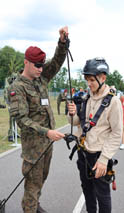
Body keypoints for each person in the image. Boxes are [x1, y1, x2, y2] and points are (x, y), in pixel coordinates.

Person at [9, 26, 68, 213]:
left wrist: (62, 42)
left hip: (47, 143)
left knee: (41, 179)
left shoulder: (41, 78)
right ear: (26, 63)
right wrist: (47, 131)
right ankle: (30, 208)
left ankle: (34, 206)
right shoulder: (18, 87)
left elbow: (57, 62)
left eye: (42, 65)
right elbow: (22, 119)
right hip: (33, 147)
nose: (41, 69)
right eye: (37, 65)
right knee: (32, 185)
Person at [67, 58, 123, 213]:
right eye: (87, 80)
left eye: (92, 80)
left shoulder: (114, 102)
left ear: (103, 78)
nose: (88, 83)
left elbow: (117, 133)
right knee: (87, 192)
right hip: (83, 153)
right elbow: (78, 122)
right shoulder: (87, 97)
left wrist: (104, 160)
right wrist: (71, 113)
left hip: (99, 156)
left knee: (102, 196)